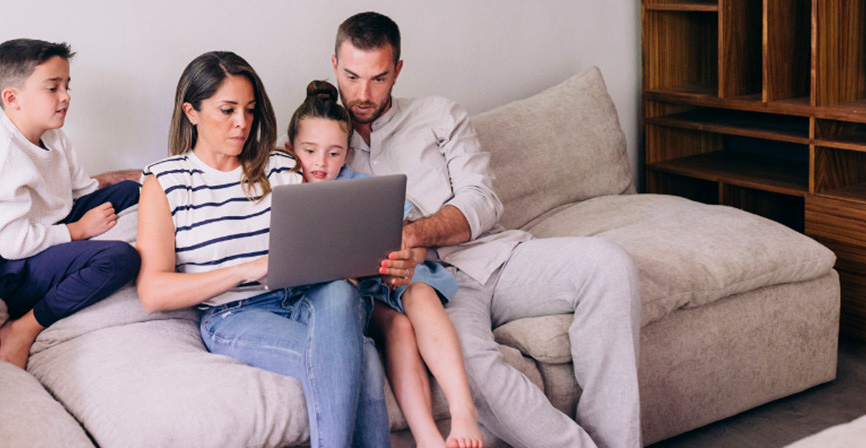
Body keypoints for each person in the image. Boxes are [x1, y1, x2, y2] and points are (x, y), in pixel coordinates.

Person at [331, 12, 643, 448]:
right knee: (469, 361)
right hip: (432, 290)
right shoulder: (324, 144)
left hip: (497, 257)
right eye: (352, 76)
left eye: (379, 78)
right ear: (334, 66)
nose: (363, 94)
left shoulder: (438, 115)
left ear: (398, 70)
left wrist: (414, 232)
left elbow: (482, 198)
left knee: (610, 264)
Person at [135, 51, 401, 447]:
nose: (242, 123)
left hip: (307, 295)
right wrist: (247, 269)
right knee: (360, 357)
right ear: (191, 112)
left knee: (342, 292)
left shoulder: (280, 166)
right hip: (234, 314)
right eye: (227, 110)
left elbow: (328, 237)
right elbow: (153, 292)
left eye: (249, 109)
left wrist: (357, 259)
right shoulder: (166, 182)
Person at [284, 80, 482, 448]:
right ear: (290, 149)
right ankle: (426, 435)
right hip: (341, 297)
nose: (321, 163)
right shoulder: (283, 191)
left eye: (334, 153)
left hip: (380, 281)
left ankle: (461, 412)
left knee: (420, 292)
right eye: (310, 151)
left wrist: (406, 260)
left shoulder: (361, 186)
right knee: (399, 328)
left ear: (347, 152)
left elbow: (409, 237)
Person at [0, 38, 142, 370]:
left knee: (131, 191)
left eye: (67, 86)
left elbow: (81, 190)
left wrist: (135, 180)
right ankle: (24, 327)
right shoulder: (0, 155)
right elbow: (11, 242)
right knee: (120, 258)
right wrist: (78, 231)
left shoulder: (53, 136)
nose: (66, 96)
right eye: (52, 88)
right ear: (12, 98)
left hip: (51, 228)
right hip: (14, 265)